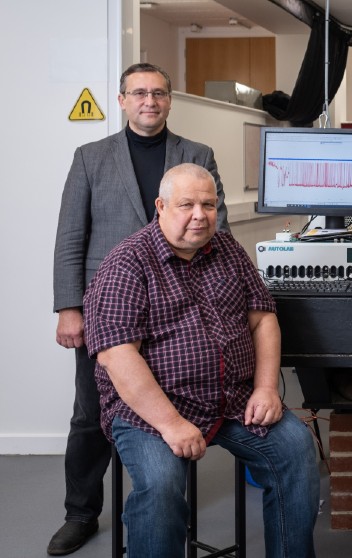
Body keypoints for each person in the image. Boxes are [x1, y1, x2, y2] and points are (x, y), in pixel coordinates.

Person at [83, 163, 321, 557]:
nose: (200, 215)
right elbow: (118, 356)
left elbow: (263, 318)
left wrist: (264, 389)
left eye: (208, 205)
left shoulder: (228, 248)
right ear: (160, 207)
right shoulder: (126, 263)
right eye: (187, 205)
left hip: (230, 399)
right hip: (152, 410)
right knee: (160, 486)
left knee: (295, 449)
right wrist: (172, 425)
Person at [49, 63, 230, 555]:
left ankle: (161, 502)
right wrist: (69, 308)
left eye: (159, 93)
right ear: (123, 99)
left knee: (178, 400)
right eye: (139, 93)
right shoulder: (90, 157)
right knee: (90, 415)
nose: (149, 101)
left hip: (179, 309)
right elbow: (70, 238)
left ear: (170, 101)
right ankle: (81, 513)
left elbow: (219, 231)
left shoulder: (197, 155)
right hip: (106, 312)